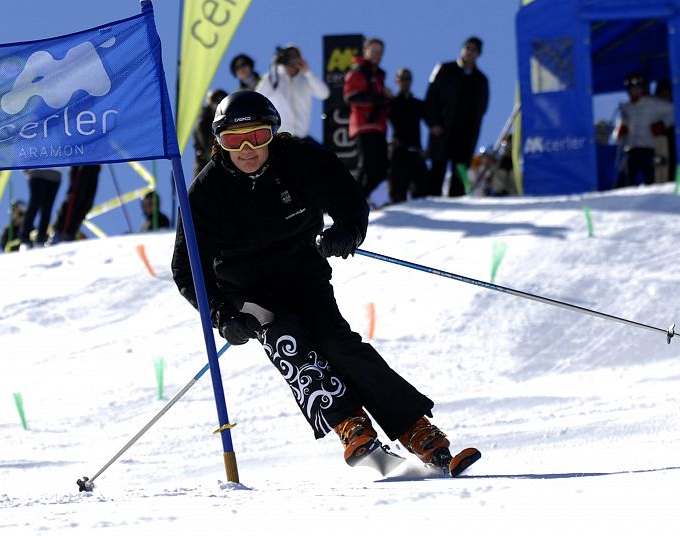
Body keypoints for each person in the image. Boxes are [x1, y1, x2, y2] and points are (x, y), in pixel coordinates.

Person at [171, 90, 478, 475]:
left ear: (274, 135)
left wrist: (347, 231)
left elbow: (349, 201)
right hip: (244, 290)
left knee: (337, 342)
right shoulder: (207, 191)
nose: (247, 148)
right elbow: (187, 269)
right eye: (234, 140)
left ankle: (418, 431)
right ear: (219, 143)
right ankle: (350, 425)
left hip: (303, 275)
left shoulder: (301, 160)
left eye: (258, 136)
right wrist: (221, 314)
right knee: (286, 337)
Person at [425, 36, 489, 198]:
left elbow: (481, 108)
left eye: (474, 49)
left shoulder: (480, 80)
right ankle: (431, 202)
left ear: (478, 53)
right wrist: (434, 123)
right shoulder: (445, 70)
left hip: (465, 134)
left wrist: (473, 130)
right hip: (442, 130)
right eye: (467, 47)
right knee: (438, 168)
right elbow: (431, 98)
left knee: (460, 168)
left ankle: (457, 201)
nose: (469, 51)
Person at [343, 37, 392, 200]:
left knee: (382, 168)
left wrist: (386, 99)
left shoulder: (378, 76)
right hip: (363, 126)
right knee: (368, 166)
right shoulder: (358, 72)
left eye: (379, 52)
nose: (376, 55)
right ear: (365, 51)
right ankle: (352, 201)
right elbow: (351, 96)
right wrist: (378, 99)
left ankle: (358, 199)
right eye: (373, 50)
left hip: (378, 127)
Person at [255, 44, 330, 143]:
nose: (291, 59)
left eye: (295, 56)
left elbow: (324, 94)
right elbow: (258, 96)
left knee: (324, 156)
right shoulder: (273, 78)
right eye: (288, 56)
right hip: (279, 138)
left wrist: (307, 72)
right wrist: (273, 67)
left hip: (302, 139)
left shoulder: (306, 79)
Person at [613, 73, 674, 187]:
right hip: (630, 150)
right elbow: (616, 135)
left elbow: (674, 112)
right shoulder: (626, 108)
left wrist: (663, 125)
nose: (635, 90)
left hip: (649, 150)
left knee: (652, 181)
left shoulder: (654, 103)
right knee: (622, 181)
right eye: (632, 88)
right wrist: (620, 131)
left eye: (638, 87)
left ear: (643, 87)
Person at [387, 68, 428, 203]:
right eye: (401, 78)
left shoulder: (418, 104)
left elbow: (434, 123)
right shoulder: (391, 103)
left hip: (416, 151)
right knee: (398, 193)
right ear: (396, 81)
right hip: (398, 152)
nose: (404, 81)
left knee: (423, 192)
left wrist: (430, 150)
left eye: (407, 78)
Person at [50, 164, 101, 243]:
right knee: (76, 198)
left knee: (87, 202)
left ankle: (70, 232)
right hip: (80, 162)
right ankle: (60, 231)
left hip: (94, 164)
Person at [21, 168, 61, 247]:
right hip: (38, 172)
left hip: (55, 175)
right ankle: (25, 239)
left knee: (47, 209)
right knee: (35, 205)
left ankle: (41, 239)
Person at [193, 89, 228, 177]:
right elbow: (208, 148)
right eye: (216, 102)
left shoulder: (230, 120)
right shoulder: (203, 123)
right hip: (205, 168)